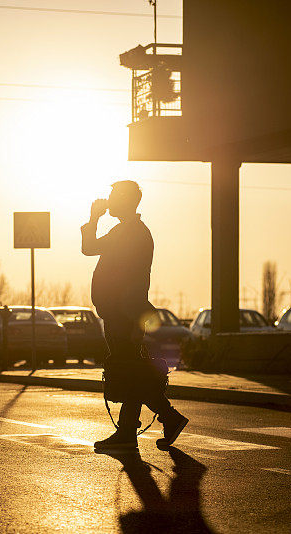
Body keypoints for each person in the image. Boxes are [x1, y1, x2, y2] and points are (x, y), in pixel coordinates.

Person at [81, 180, 188, 450]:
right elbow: (91, 248)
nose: (109, 199)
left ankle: (167, 418)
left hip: (124, 314)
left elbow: (91, 249)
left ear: (127, 200)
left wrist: (93, 219)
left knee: (128, 371)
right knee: (130, 371)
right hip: (121, 312)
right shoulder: (125, 230)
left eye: (114, 195)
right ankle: (131, 429)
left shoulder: (133, 233)